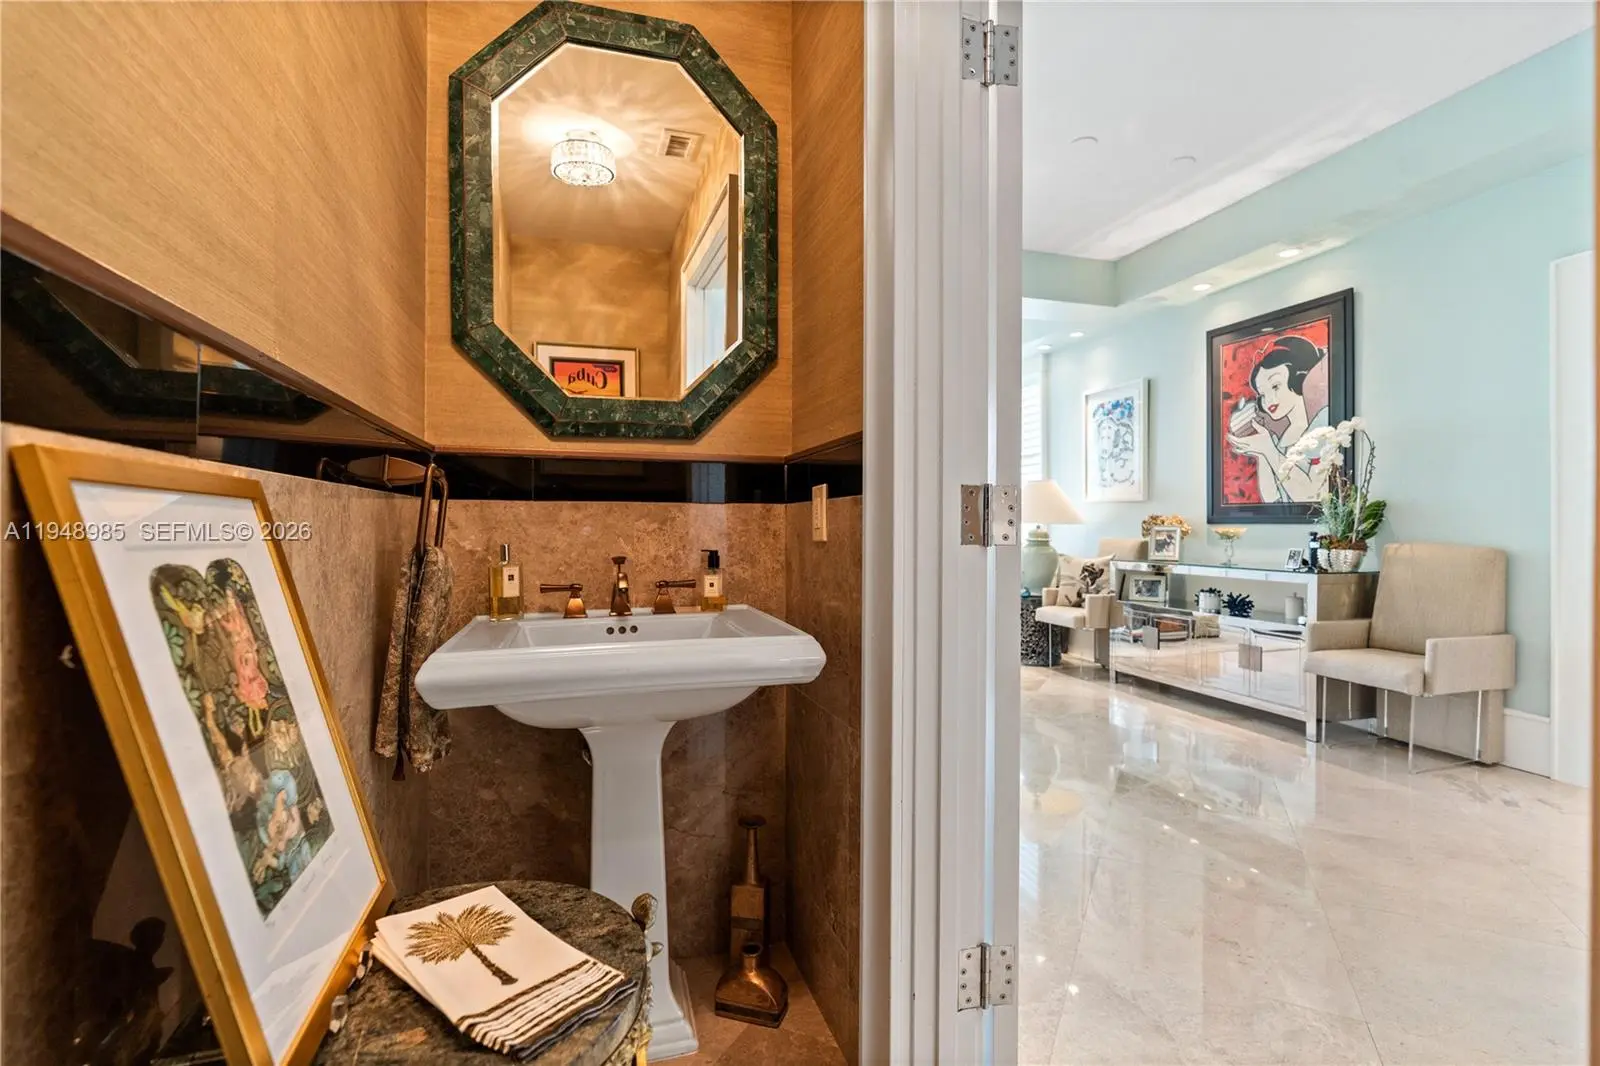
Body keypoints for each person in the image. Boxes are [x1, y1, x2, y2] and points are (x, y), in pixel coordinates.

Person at [1225, 334, 1327, 503]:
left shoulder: (1322, 426)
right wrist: (1263, 454)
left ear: (1299, 378)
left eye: (1275, 386)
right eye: (1263, 394)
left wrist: (1269, 451)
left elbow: (1312, 497)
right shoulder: (1278, 439)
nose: (1269, 400)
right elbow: (1273, 499)